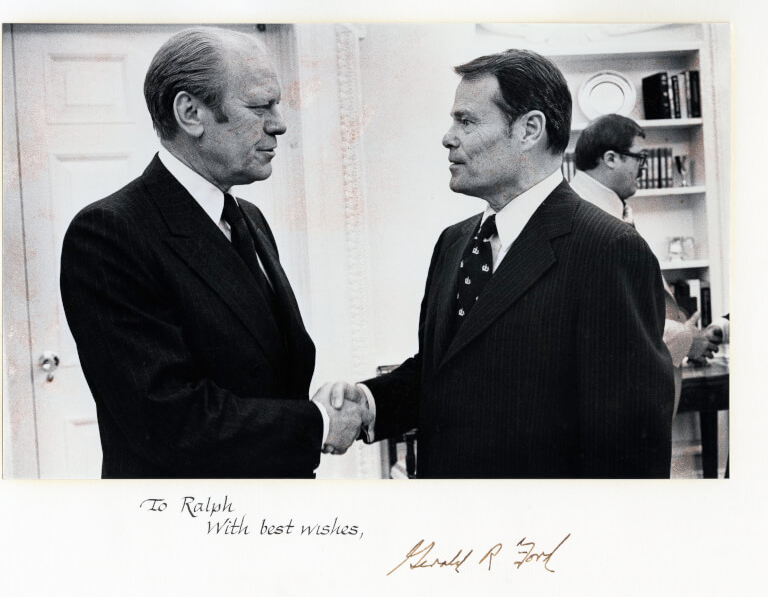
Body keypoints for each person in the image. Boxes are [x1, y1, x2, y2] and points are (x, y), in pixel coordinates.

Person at [321, 50, 675, 478]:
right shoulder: (453, 243)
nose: (448, 138)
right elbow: (448, 373)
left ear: (529, 130)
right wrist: (368, 404)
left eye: (466, 121)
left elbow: (630, 447)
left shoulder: (610, 249)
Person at [60, 27, 367, 478]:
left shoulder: (249, 219)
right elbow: (167, 419)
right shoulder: (109, 233)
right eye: (261, 105)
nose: (280, 123)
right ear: (190, 113)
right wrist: (317, 423)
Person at [571, 114, 719, 416]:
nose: (643, 168)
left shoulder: (609, 208)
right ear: (610, 158)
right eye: (640, 158)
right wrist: (685, 338)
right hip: (612, 398)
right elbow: (607, 321)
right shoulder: (581, 218)